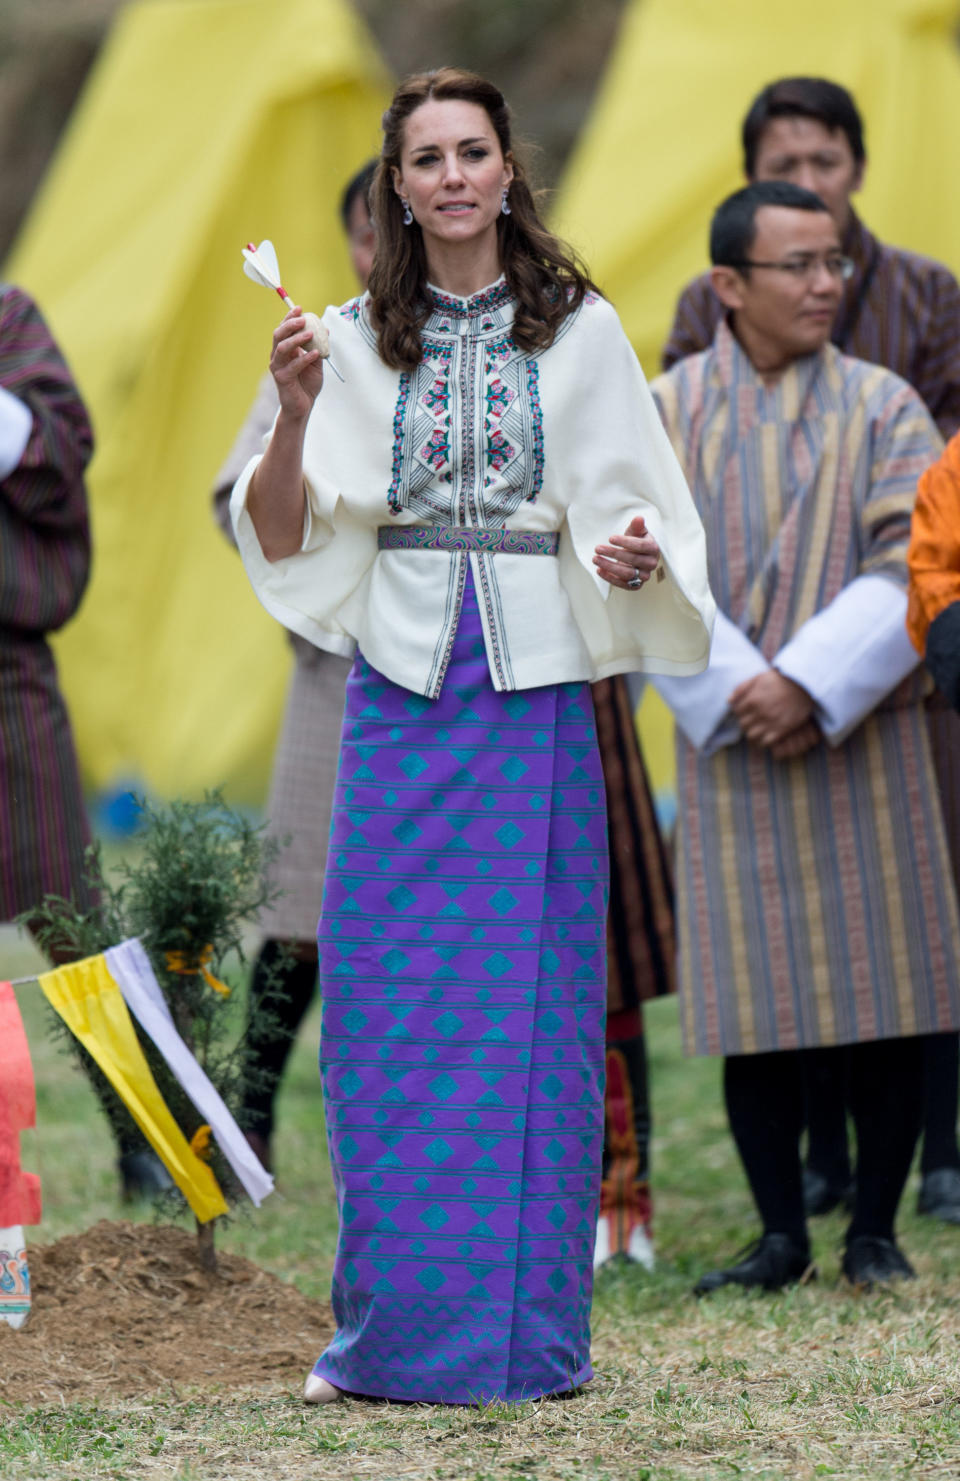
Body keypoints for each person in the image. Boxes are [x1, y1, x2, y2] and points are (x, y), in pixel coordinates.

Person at [229, 67, 714, 1405]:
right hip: (396, 687)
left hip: (537, 696)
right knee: (389, 1017)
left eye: (472, 152)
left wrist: (625, 554)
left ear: (510, 172)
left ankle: (528, 1341)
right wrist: (287, 411)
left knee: (530, 1014)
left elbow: (651, 520)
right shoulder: (336, 337)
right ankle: (384, 1339)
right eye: (424, 157)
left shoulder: (585, 333)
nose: (449, 175)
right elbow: (282, 529)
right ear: (397, 184)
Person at [651, 181, 960, 1293]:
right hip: (730, 734)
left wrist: (810, 683)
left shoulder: (886, 406)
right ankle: (780, 1230)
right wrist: (743, 686)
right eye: (800, 266)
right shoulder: (664, 408)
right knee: (754, 1002)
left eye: (836, 263)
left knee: (888, 991)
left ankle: (873, 1228)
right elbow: (641, 567)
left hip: (862, 731)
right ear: (729, 285)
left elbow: (913, 563)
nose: (827, 283)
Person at [211, 161, 376, 1173]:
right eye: (365, 231)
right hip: (339, 670)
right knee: (300, 912)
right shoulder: (319, 347)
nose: (381, 248)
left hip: (455, 677)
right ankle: (251, 1114)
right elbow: (242, 496)